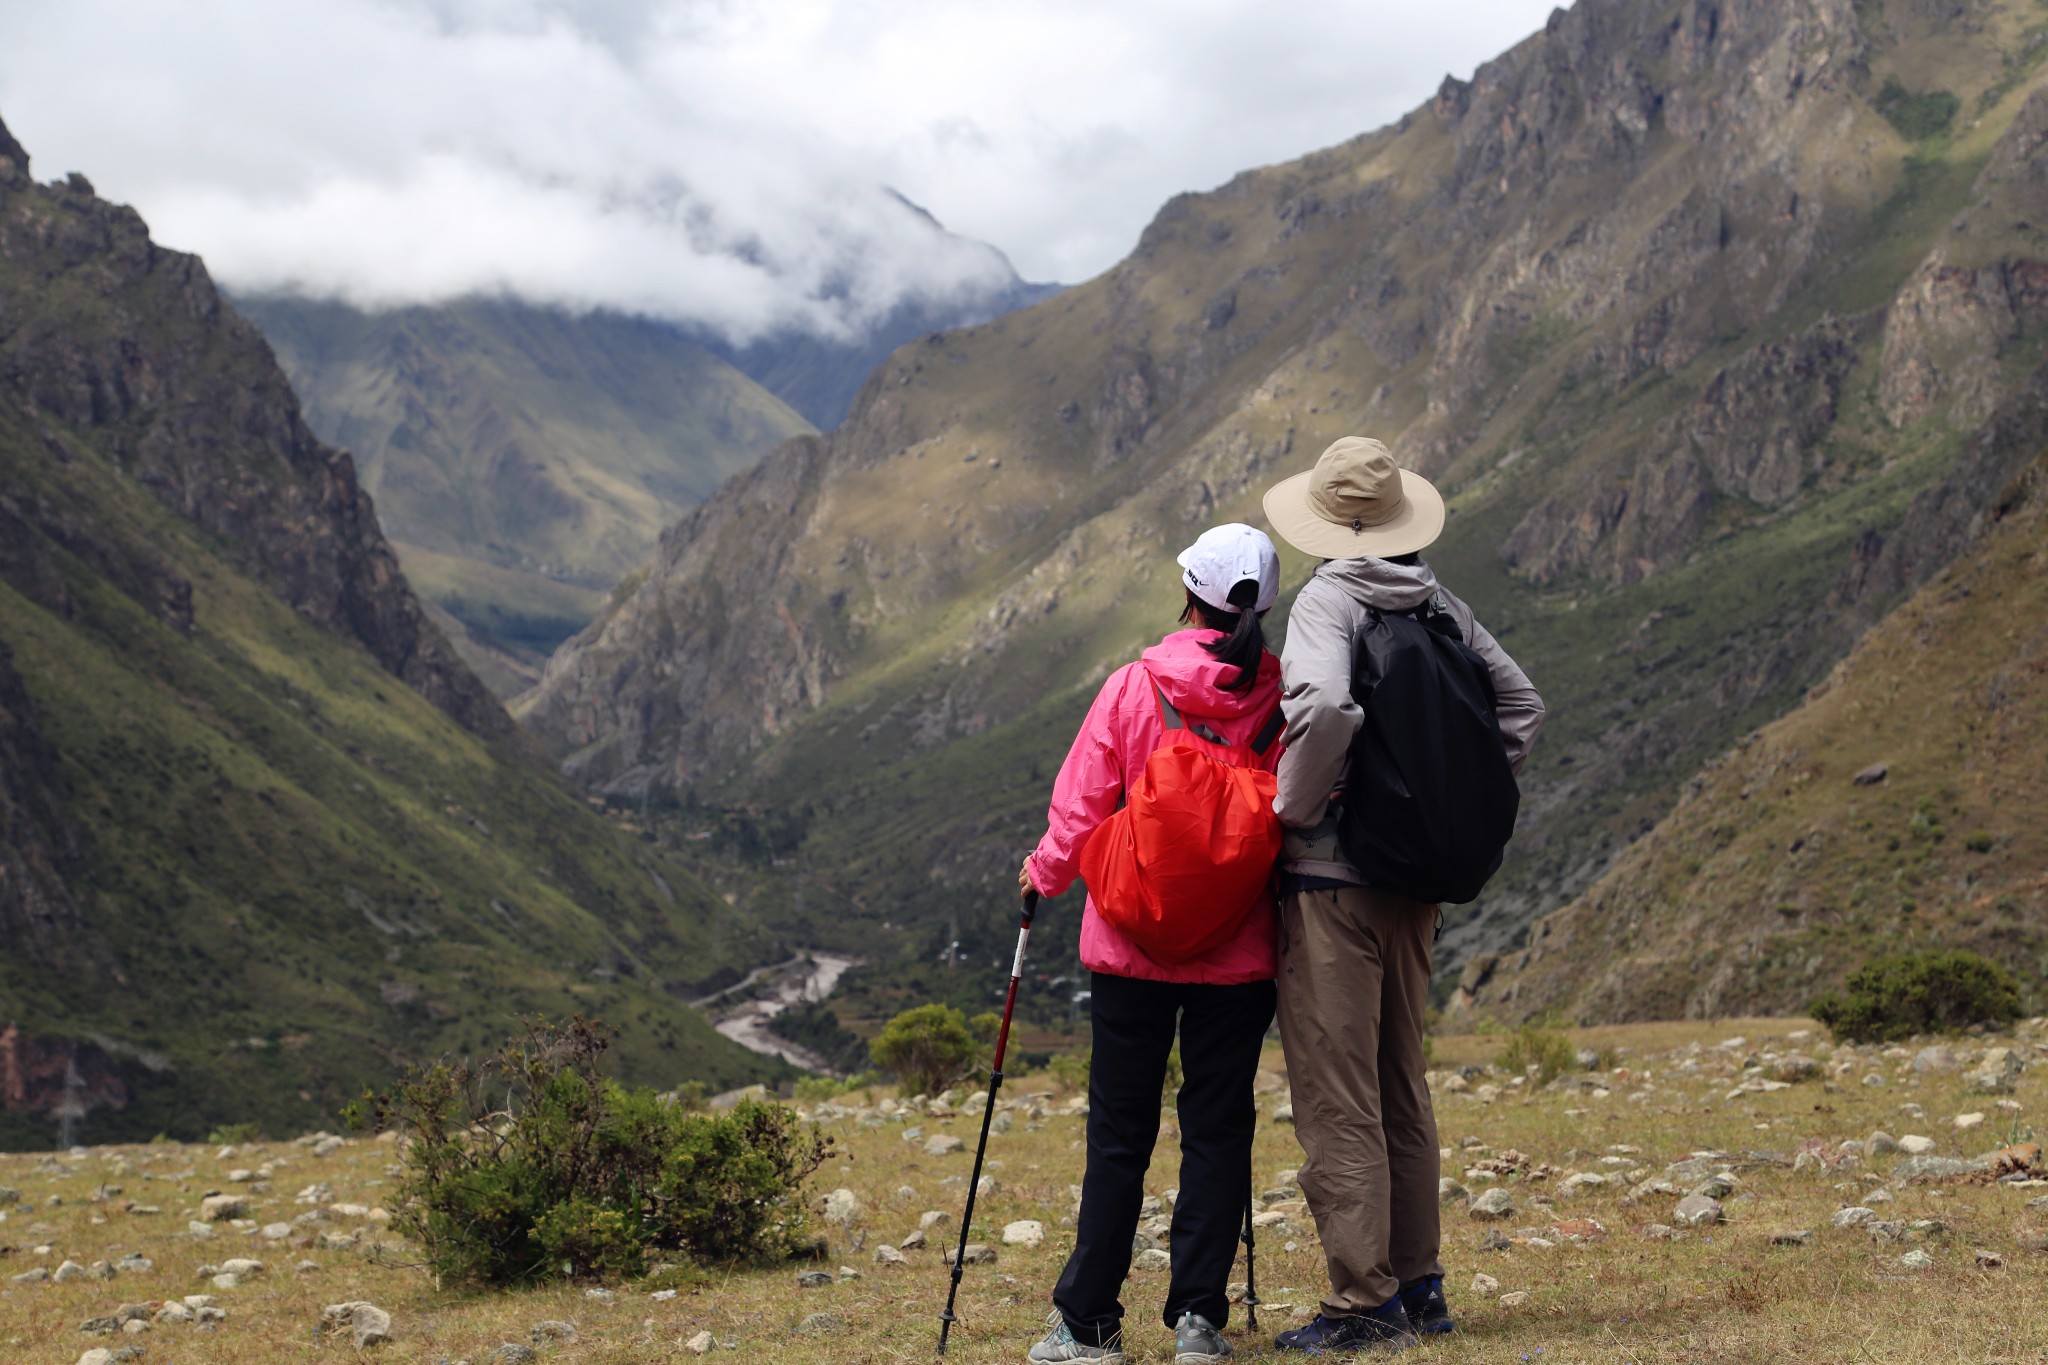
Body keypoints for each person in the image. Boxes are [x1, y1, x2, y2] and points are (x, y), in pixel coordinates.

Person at [1260, 437, 1545, 1352]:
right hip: (1414, 884)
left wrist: (1293, 808)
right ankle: (1421, 1286)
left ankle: (1362, 1303)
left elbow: (1327, 708)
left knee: (1338, 1094)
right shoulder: (1437, 599)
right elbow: (1523, 706)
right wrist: (1442, 801)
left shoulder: (1328, 601)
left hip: (1332, 886)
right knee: (1400, 1085)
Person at [1018, 523, 1288, 1365]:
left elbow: (1081, 805)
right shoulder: (1282, 696)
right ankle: (1200, 1323)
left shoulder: (1136, 686)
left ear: (1190, 594)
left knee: (1119, 1133)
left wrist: (1040, 878)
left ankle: (1089, 1323)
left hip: (1131, 945)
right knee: (1216, 1127)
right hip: (1238, 954)